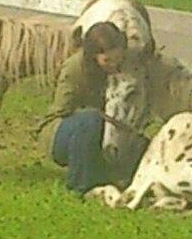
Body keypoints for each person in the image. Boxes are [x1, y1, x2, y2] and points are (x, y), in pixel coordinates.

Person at [36, 21, 149, 194]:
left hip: (102, 128)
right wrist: (101, 117)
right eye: (107, 60)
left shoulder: (121, 70)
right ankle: (80, 185)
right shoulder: (75, 69)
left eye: (117, 59)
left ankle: (117, 177)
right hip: (62, 131)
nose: (113, 65)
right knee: (91, 119)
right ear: (94, 56)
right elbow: (62, 110)